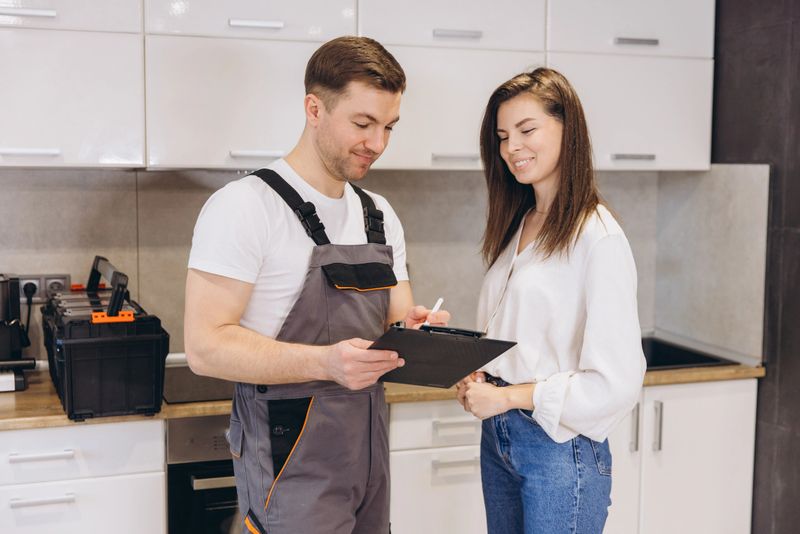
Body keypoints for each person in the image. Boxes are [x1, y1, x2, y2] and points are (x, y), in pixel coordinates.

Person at [184, 36, 448, 534]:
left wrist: (418, 330)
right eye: (363, 123)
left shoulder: (380, 215)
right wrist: (325, 362)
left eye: (389, 127)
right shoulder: (244, 207)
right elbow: (204, 347)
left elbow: (397, 319)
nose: (378, 143)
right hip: (290, 461)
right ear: (314, 108)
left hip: (369, 453)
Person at [456, 67, 646, 533]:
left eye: (527, 130)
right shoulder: (521, 224)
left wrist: (508, 398)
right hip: (500, 437)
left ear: (568, 129)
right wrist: (471, 365)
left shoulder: (597, 237)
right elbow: (521, 336)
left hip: (560, 450)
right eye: (502, 136)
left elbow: (617, 383)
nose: (511, 147)